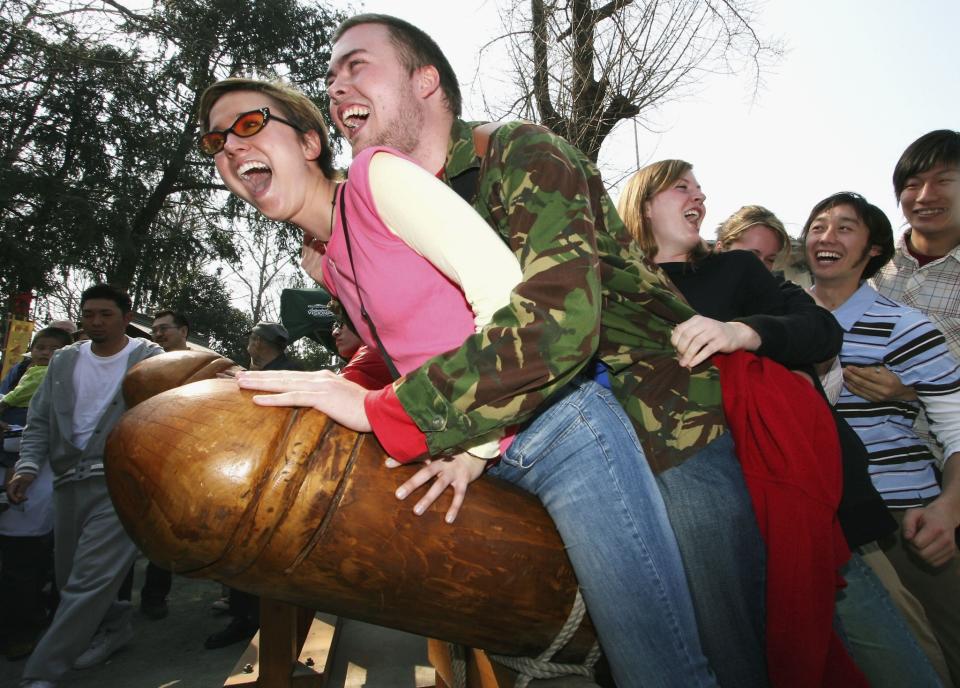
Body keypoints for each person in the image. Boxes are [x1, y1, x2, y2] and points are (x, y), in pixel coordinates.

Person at [197, 15, 774, 684]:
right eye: (216, 141)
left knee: (701, 653)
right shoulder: (331, 249)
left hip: (658, 407)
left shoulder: (505, 153)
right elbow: (403, 341)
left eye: (357, 66)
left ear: (424, 82)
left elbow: (549, 315)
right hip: (501, 426)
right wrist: (330, 388)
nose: (336, 87)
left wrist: (432, 426)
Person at [620, 162, 936, 686]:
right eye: (683, 187)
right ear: (645, 202)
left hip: (798, 497)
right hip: (695, 504)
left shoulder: (735, 272)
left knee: (883, 654)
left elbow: (820, 330)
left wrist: (740, 333)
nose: (700, 196)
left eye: (702, 188)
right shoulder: (614, 287)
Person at [803, 191, 960, 686]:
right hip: (815, 515)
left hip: (902, 517)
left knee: (938, 653)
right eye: (818, 226)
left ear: (874, 249)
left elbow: (956, 425)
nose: (827, 237)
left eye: (845, 228)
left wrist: (948, 508)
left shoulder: (905, 326)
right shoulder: (778, 324)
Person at [7, 284, 163, 688]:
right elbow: (40, 420)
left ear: (126, 318)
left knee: (86, 583)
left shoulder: (151, 360)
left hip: (119, 481)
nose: (95, 322)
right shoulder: (64, 360)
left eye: (105, 314)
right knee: (68, 579)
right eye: (88, 314)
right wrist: (26, 466)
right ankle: (116, 624)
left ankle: (41, 674)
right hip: (67, 481)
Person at [0, 327, 72, 661]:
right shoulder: (20, 374)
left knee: (24, 556)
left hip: (39, 477)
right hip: (15, 462)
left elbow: (43, 430)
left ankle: (23, 628)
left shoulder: (70, 386)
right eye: (40, 348)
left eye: (54, 350)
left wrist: (25, 464)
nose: (46, 354)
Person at [714, 204, 791, 271]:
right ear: (721, 250)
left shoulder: (778, 287)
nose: (761, 267)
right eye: (752, 256)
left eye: (770, 260)